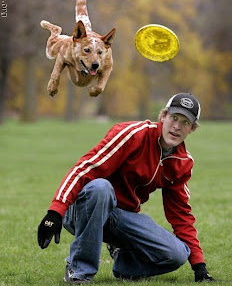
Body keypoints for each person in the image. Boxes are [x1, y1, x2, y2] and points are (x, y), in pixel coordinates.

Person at [38, 93, 215, 284]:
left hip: (119, 218)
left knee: (177, 254)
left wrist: (199, 265)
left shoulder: (182, 162)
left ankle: (123, 264)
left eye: (185, 122)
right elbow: (85, 168)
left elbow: (180, 214)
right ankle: (79, 272)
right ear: (163, 116)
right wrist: (55, 212)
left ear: (192, 129)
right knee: (101, 188)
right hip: (84, 209)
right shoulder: (133, 134)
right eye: (173, 117)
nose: (177, 126)